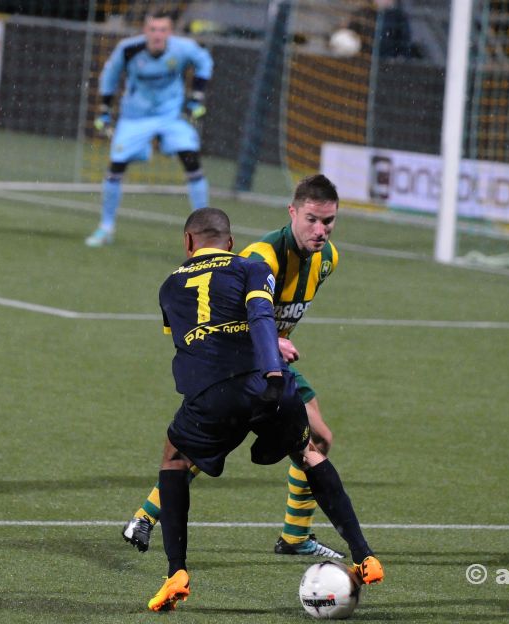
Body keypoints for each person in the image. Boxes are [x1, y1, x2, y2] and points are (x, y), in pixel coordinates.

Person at [146, 207, 383, 611]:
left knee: (174, 458)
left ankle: (176, 573)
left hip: (211, 395)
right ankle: (364, 554)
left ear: (188, 243)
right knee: (308, 452)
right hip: (267, 382)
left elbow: (193, 342)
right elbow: (259, 315)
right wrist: (273, 373)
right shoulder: (251, 268)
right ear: (231, 243)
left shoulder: (169, 287)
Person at [123, 174, 351, 559]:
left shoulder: (327, 260)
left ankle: (295, 537)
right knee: (218, 440)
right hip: (244, 361)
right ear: (292, 212)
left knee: (318, 438)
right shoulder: (261, 257)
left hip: (271, 362)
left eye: (328, 221)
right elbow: (229, 304)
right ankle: (145, 516)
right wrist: (271, 341)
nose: (320, 230)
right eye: (311, 219)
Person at [85, 8, 213, 247]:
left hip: (169, 116)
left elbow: (204, 61)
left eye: (162, 30)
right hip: (134, 118)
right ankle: (106, 227)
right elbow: (109, 77)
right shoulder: (128, 49)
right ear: (145, 31)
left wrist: (197, 95)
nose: (157, 35)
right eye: (153, 29)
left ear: (170, 32)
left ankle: (206, 234)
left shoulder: (182, 48)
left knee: (192, 161)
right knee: (115, 168)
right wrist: (104, 110)